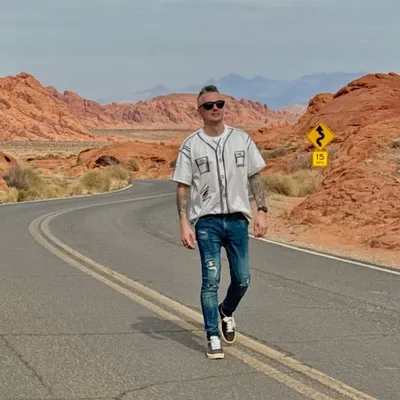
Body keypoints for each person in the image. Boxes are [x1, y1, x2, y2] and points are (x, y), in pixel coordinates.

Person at [171, 84, 268, 359]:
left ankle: (226, 310)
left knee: (243, 279)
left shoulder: (241, 139)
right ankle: (212, 335)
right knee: (210, 280)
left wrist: (262, 210)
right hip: (207, 223)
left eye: (219, 104)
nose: (215, 109)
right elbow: (183, 186)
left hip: (237, 220)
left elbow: (255, 176)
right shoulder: (191, 145)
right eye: (209, 105)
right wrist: (183, 222)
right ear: (199, 112)